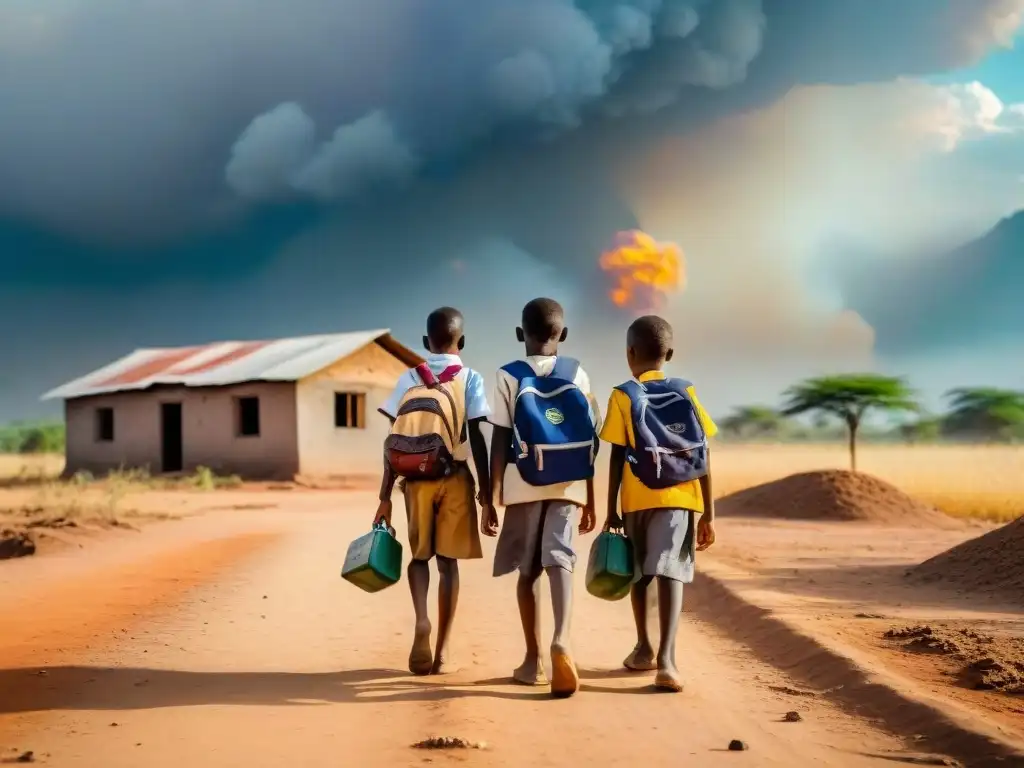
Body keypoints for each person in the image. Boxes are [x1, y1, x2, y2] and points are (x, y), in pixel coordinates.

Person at [487, 297, 601, 698]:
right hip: (570, 483)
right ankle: (563, 640)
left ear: (520, 334)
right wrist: (589, 497)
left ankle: (533, 660)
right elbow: (590, 437)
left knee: (528, 571)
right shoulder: (578, 373)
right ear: (562, 335)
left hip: (523, 481)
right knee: (561, 562)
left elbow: (499, 436)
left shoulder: (507, 375)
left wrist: (491, 494)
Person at [599, 314, 718, 692]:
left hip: (636, 498)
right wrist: (708, 514)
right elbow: (702, 451)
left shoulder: (622, 394)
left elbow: (617, 456)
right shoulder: (687, 391)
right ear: (670, 353)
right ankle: (668, 660)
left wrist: (611, 509)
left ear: (629, 353)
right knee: (672, 573)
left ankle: (644, 649)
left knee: (640, 574)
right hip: (681, 497)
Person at [374, 307, 493, 676]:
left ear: (426, 343)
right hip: (455, 475)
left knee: (419, 558)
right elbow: (477, 435)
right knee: (448, 565)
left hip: (414, 480)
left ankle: (421, 620)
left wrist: (383, 498)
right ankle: (442, 650)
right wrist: (487, 496)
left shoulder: (408, 377)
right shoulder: (470, 378)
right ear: (463, 341)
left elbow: (394, 437)